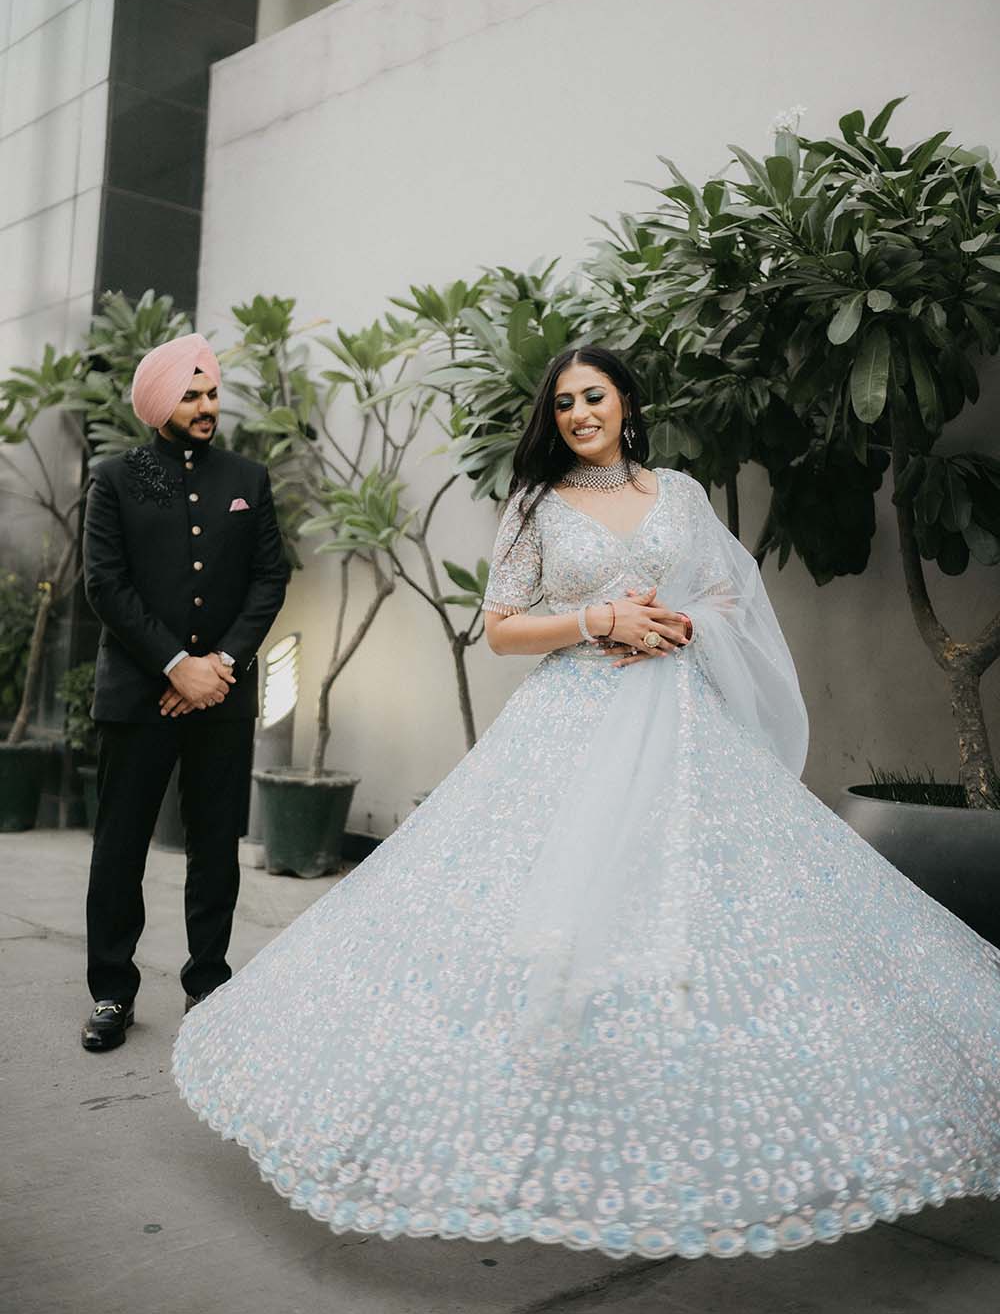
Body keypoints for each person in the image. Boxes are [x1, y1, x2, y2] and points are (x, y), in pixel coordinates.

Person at [172, 346, 1000, 1262]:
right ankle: (545, 1108)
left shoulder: (681, 494)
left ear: (627, 402)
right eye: (563, 402)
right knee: (546, 916)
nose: (578, 413)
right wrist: (599, 620)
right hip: (570, 722)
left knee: (700, 917)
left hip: (684, 722)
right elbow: (499, 628)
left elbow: (729, 596)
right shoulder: (535, 504)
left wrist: (677, 622)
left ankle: (680, 1115)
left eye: (594, 396)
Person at [81, 333, 288, 1052]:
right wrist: (175, 665)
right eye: (191, 395)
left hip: (222, 695)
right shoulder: (117, 478)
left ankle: (208, 983)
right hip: (138, 695)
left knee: (215, 845)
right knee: (121, 847)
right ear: (157, 403)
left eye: (211, 393)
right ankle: (111, 991)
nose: (207, 406)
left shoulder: (248, 476)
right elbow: (106, 585)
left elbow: (270, 578)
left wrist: (218, 665)